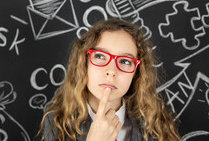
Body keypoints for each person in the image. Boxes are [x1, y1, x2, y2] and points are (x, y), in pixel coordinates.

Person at [38, 18, 180, 141]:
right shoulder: (57, 124)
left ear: (136, 73)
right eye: (100, 56)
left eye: (125, 61)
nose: (111, 71)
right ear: (84, 63)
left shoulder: (156, 127)